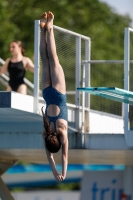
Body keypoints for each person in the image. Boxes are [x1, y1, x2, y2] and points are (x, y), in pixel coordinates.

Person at [40, 11, 68, 182]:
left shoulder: (62, 132)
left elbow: (64, 156)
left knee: (54, 59)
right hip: (47, 94)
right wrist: (54, 172)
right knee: (45, 59)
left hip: (58, 94)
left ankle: (50, 29)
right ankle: (42, 28)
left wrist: (62, 173)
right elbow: (50, 157)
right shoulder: (45, 132)